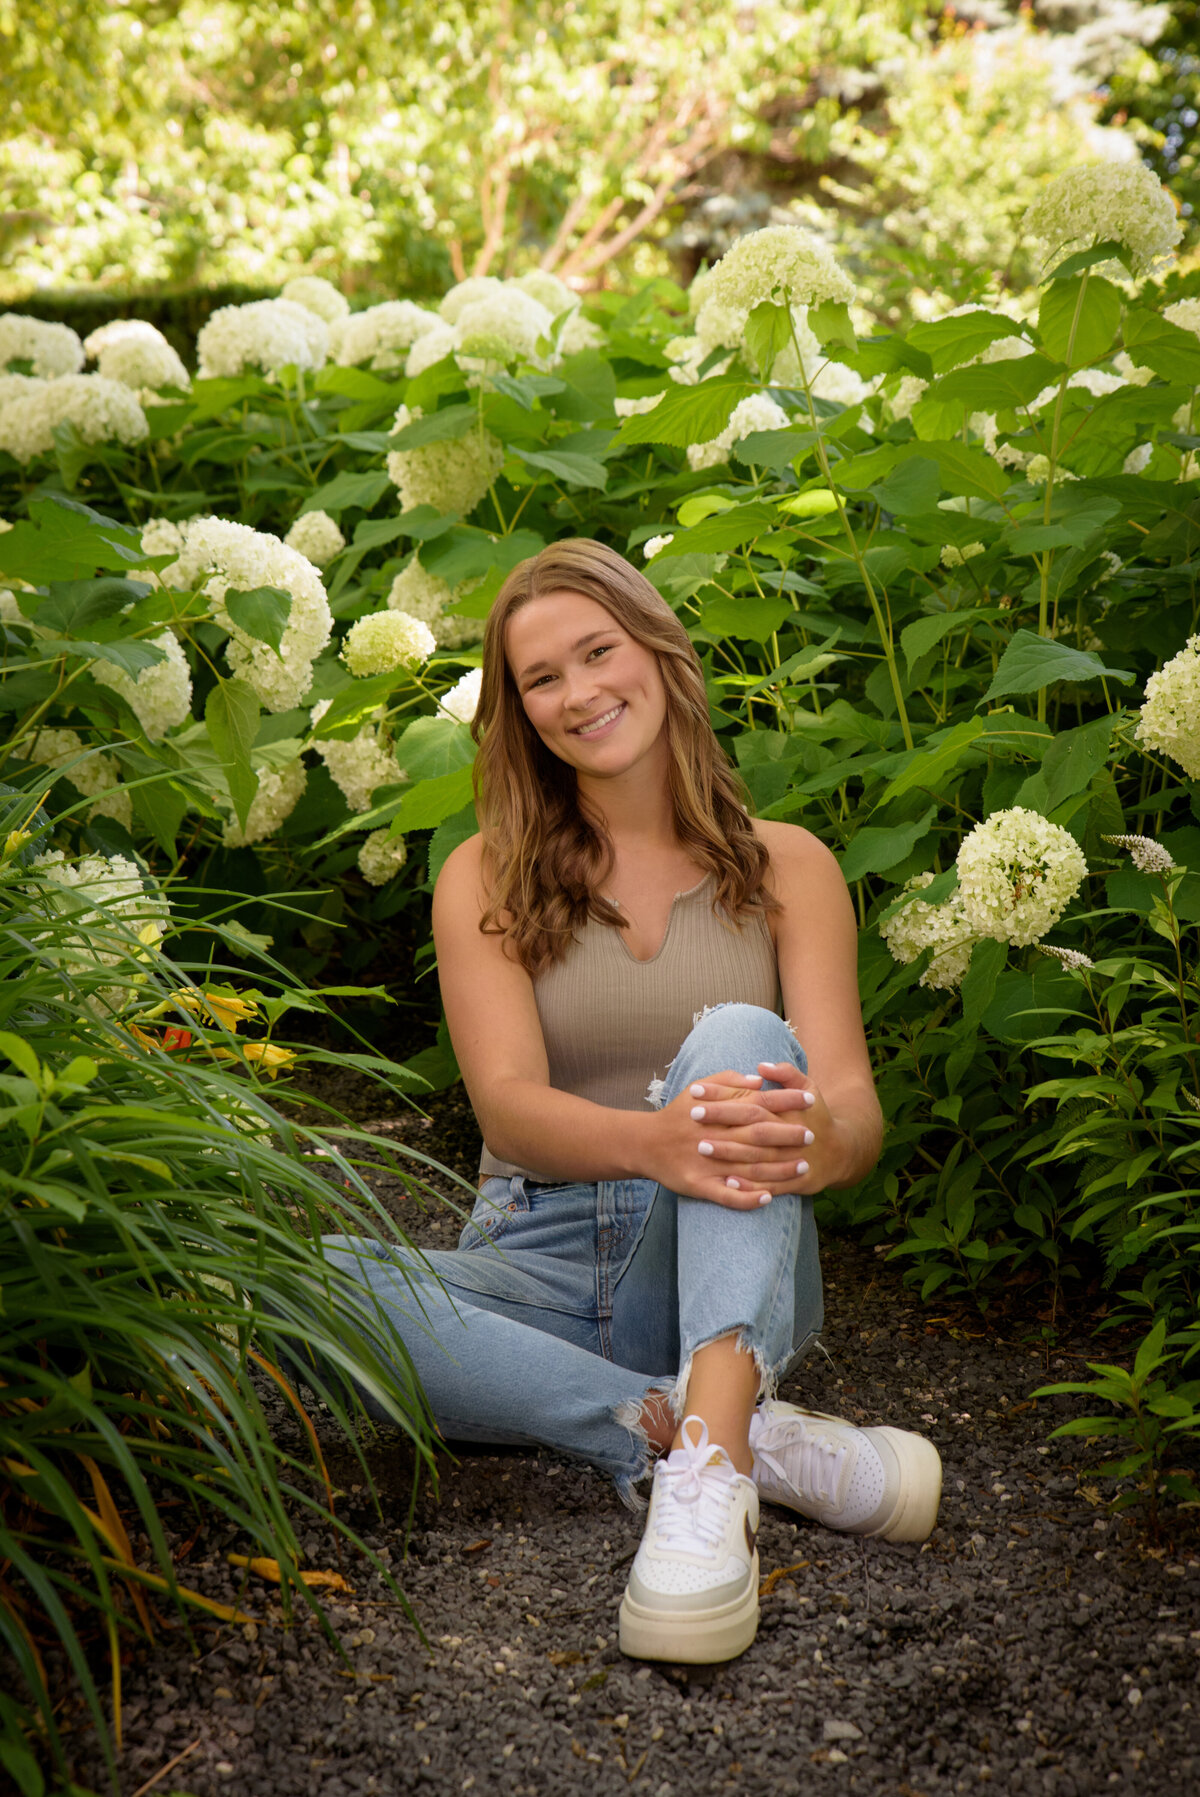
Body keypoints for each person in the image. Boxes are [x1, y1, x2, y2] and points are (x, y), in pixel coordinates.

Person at [324, 538, 941, 1665]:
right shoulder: (486, 872)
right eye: (541, 678)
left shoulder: (788, 866)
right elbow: (508, 1113)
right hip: (535, 1254)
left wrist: (818, 1141)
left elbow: (853, 1109)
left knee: (743, 1036)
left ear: (659, 652)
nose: (578, 693)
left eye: (597, 652)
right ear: (519, 712)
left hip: (718, 1247)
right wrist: (657, 1140)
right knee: (303, 1288)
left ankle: (706, 1494)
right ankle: (705, 1430)